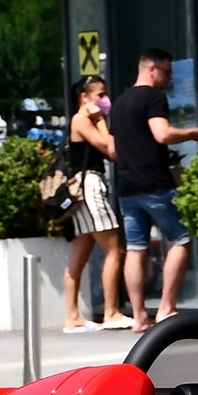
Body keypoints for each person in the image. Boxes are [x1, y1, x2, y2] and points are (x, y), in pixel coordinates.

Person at [110, 49, 198, 330]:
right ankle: (166, 309)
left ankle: (139, 316)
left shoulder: (119, 103)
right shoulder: (153, 98)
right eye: (166, 71)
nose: (169, 78)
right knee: (181, 238)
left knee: (136, 248)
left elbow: (113, 150)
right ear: (151, 68)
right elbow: (162, 134)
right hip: (154, 183)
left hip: (127, 186)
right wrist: (194, 133)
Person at [60, 75, 129, 332]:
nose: (104, 100)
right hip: (89, 187)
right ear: (84, 97)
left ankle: (73, 316)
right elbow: (110, 150)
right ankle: (111, 312)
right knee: (114, 248)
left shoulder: (79, 120)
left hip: (82, 188)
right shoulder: (81, 119)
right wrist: (100, 119)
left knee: (81, 251)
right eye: (99, 95)